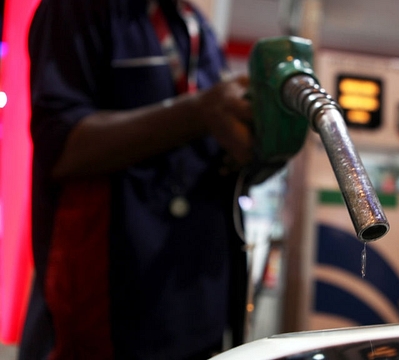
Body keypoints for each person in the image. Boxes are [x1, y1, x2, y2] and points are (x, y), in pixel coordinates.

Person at [21, 0, 259, 359]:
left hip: (196, 310)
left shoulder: (195, 25)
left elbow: (209, 156)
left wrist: (261, 147)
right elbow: (63, 145)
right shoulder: (78, 9)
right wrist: (199, 112)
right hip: (108, 313)